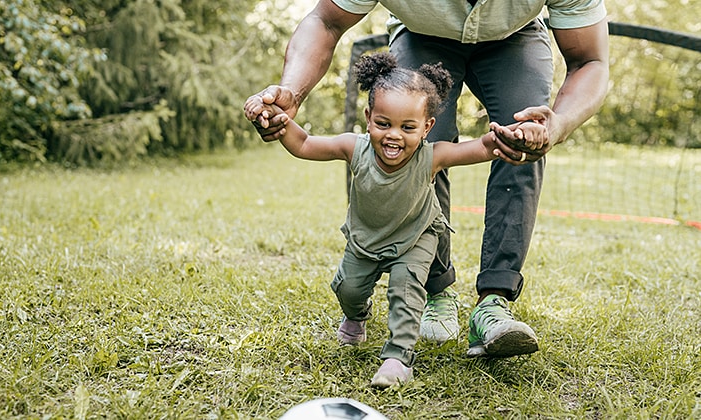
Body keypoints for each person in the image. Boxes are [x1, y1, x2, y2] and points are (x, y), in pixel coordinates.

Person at [245, 0, 609, 357]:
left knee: (523, 138)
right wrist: (291, 91)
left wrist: (558, 124)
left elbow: (589, 60)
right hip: (421, 33)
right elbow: (326, 20)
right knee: (417, 147)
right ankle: (436, 290)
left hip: (514, 37)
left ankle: (494, 302)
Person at [244, 52, 545, 387]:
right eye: (384, 124)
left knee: (406, 293)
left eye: (408, 127)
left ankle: (398, 359)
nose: (394, 136)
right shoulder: (353, 147)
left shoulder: (433, 156)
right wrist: (278, 121)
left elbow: (482, 147)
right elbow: (303, 143)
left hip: (415, 239)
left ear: (427, 127)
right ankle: (357, 316)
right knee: (348, 289)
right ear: (369, 116)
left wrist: (514, 135)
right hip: (365, 239)